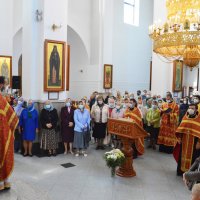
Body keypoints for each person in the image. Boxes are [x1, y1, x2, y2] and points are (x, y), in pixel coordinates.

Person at [0, 76, 19, 191]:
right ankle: (4, 182)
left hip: (2, 132)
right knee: (3, 154)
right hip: (2, 133)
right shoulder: (1, 100)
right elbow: (13, 117)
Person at [174, 104, 200, 176]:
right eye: (189, 108)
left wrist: (199, 142)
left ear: (196, 110)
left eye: (192, 108)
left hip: (194, 141)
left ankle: (191, 174)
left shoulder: (199, 118)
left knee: (194, 156)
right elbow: (180, 128)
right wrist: (179, 137)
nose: (190, 109)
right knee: (182, 155)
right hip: (184, 140)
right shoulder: (185, 117)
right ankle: (181, 171)